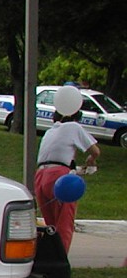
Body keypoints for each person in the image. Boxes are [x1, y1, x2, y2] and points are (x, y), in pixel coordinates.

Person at [34, 86, 100, 253]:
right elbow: (95, 150)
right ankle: (61, 259)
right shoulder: (74, 127)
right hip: (59, 179)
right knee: (64, 223)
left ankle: (47, 256)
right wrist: (91, 159)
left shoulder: (50, 132)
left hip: (40, 177)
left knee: (50, 223)